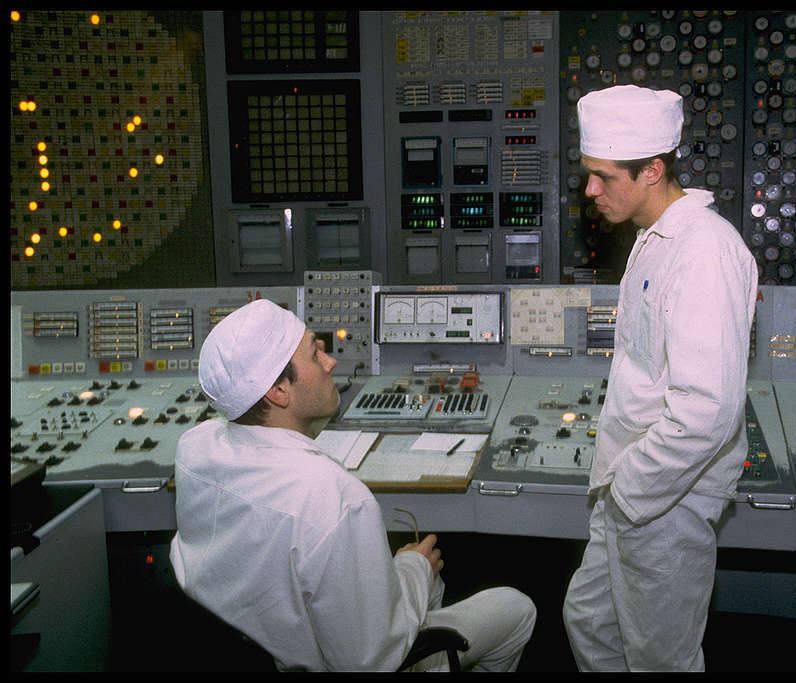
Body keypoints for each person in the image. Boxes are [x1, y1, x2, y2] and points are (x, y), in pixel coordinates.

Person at [169, 299, 536, 671]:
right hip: (341, 661)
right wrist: (413, 566)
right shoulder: (334, 498)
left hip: (259, 638)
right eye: (315, 355)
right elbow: (372, 660)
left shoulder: (195, 447)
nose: (331, 363)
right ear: (279, 392)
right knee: (515, 607)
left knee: (427, 582)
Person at [562, 85, 758, 671]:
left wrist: (630, 494)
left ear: (652, 170)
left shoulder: (704, 252)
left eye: (603, 176)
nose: (590, 190)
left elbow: (706, 410)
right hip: (628, 487)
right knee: (591, 620)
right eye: (587, 174)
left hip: (664, 498)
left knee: (659, 658)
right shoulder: (654, 240)